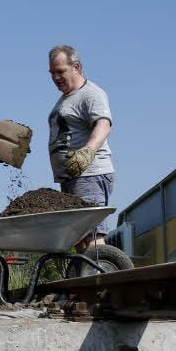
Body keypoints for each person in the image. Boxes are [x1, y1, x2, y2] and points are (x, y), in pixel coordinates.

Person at [47, 44, 114, 249]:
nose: (56, 77)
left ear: (76, 67)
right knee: (79, 240)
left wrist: (88, 151)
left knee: (93, 237)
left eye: (61, 71)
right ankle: (84, 279)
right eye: (52, 73)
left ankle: (103, 279)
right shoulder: (65, 99)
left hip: (90, 174)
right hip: (71, 178)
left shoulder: (91, 93)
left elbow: (103, 124)